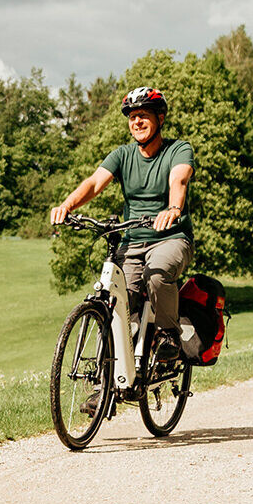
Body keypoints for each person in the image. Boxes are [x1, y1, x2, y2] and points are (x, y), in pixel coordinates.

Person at [51, 86, 196, 362]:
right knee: (113, 300)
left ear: (160, 119)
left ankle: (168, 335)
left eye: (143, 115)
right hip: (132, 242)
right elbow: (94, 183)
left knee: (157, 273)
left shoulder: (178, 149)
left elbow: (179, 179)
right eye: (132, 117)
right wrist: (66, 205)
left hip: (171, 238)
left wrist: (174, 208)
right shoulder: (122, 155)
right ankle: (102, 387)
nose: (137, 122)